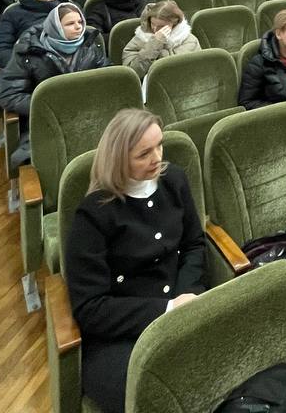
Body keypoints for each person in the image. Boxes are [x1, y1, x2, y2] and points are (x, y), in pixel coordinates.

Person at [64, 108, 206, 413]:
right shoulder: (93, 215)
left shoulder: (174, 180)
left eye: (160, 145)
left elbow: (194, 245)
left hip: (182, 308)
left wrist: (186, 296)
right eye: (144, 154)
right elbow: (90, 308)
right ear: (118, 159)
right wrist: (167, 309)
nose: (157, 157)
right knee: (162, 398)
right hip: (120, 337)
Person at [0, 3, 109, 159]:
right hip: (46, 121)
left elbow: (108, 79)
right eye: (70, 23)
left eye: (80, 22)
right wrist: (49, 107)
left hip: (87, 116)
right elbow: (10, 94)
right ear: (56, 27)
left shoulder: (90, 47)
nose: (78, 27)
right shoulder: (29, 52)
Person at [0, 0, 62, 71]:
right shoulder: (14, 13)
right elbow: (0, 50)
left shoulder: (69, 10)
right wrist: (27, 64)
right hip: (25, 68)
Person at [122, 0, 200, 78]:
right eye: (152, 24)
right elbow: (132, 73)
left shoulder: (190, 41)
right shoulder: (139, 39)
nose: (155, 29)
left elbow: (196, 71)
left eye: (161, 26)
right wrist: (154, 43)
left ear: (174, 24)